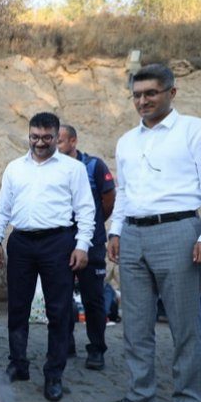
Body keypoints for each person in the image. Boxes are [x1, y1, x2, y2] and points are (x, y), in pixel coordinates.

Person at [97, 64, 201, 402]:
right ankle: (140, 395)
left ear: (171, 93)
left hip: (179, 230)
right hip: (132, 234)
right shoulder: (127, 141)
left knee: (184, 325)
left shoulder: (195, 131)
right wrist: (116, 230)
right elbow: (126, 191)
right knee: (135, 322)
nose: (143, 101)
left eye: (151, 93)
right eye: (137, 94)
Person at [0, 112, 95, 402]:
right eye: (34, 137)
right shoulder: (14, 168)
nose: (40, 143)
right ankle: (18, 364)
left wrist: (82, 245)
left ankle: (54, 374)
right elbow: (3, 206)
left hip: (58, 242)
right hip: (21, 242)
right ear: (29, 135)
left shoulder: (72, 169)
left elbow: (86, 209)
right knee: (18, 306)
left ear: (56, 135)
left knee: (59, 310)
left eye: (47, 137)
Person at [57, 124, 116, 370]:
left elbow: (108, 199)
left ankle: (96, 349)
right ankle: (65, 343)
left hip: (91, 245)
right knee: (60, 298)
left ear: (73, 141)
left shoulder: (94, 166)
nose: (56, 146)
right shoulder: (52, 168)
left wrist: (93, 226)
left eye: (60, 141)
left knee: (93, 299)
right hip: (60, 243)